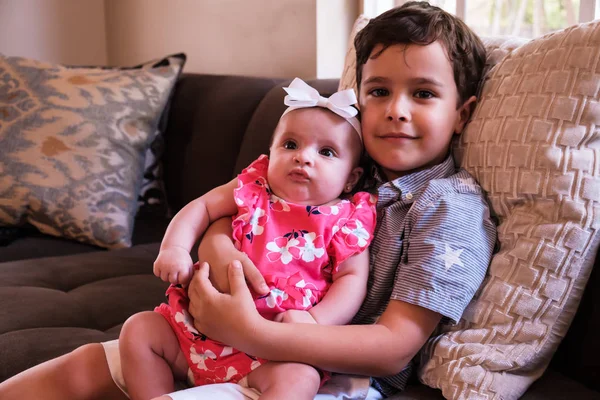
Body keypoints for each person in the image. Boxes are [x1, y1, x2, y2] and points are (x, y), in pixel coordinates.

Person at [0, 2, 497, 400]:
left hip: (321, 369)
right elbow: (241, 208)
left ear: (462, 113)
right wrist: (218, 249)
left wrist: (248, 332)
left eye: (424, 94)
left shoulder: (447, 207)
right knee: (96, 360)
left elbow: (392, 350)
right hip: (211, 335)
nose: (396, 111)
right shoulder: (340, 169)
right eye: (380, 91)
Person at [118, 77, 377, 400]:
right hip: (196, 332)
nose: (303, 157)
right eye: (290, 145)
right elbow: (201, 207)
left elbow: (352, 280)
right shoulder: (253, 188)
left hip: (274, 352)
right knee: (139, 330)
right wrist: (175, 247)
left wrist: (316, 319)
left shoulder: (347, 219)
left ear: (351, 178)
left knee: (300, 378)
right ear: (269, 153)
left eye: (326, 151)